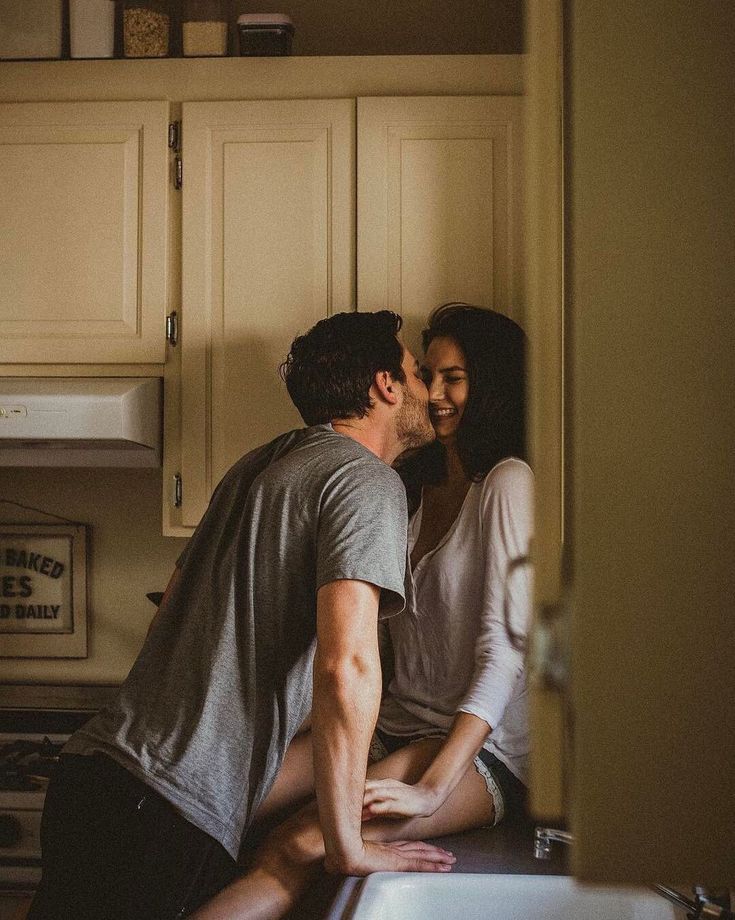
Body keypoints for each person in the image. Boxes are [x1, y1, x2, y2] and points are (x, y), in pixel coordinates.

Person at [27, 310, 454, 920]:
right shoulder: (366, 481)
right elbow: (347, 666)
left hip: (93, 773)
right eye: (416, 372)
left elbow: (167, 616)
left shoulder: (258, 465)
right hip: (166, 806)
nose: (427, 391)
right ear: (387, 386)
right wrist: (347, 846)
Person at [191, 302, 533, 920]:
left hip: (477, 749)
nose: (434, 393)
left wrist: (430, 790)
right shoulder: (408, 493)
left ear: (493, 386)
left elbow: (507, 653)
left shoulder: (507, 484)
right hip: (392, 723)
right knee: (230, 793)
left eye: (454, 377)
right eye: (427, 375)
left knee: (300, 843)